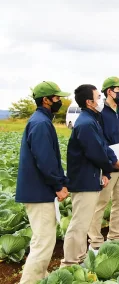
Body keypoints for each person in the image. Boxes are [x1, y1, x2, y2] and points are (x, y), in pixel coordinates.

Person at [61, 84, 119, 267]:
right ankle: (70, 262)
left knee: (83, 222)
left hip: (90, 177)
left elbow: (103, 145)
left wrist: (107, 168)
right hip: (83, 180)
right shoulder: (86, 123)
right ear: (89, 102)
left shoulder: (92, 120)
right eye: (98, 97)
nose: (101, 100)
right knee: (79, 223)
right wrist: (110, 167)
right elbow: (96, 152)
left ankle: (79, 258)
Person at [15, 81, 70, 284]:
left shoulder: (41, 120)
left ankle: (40, 277)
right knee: (43, 242)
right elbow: (45, 160)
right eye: (56, 98)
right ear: (45, 100)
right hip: (39, 192)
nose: (59, 101)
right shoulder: (40, 123)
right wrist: (59, 185)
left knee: (42, 239)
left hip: (38, 191)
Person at [87, 77, 119, 252]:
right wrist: (112, 161)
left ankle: (115, 236)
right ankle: (94, 241)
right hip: (108, 167)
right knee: (101, 202)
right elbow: (99, 140)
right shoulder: (100, 114)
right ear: (109, 91)